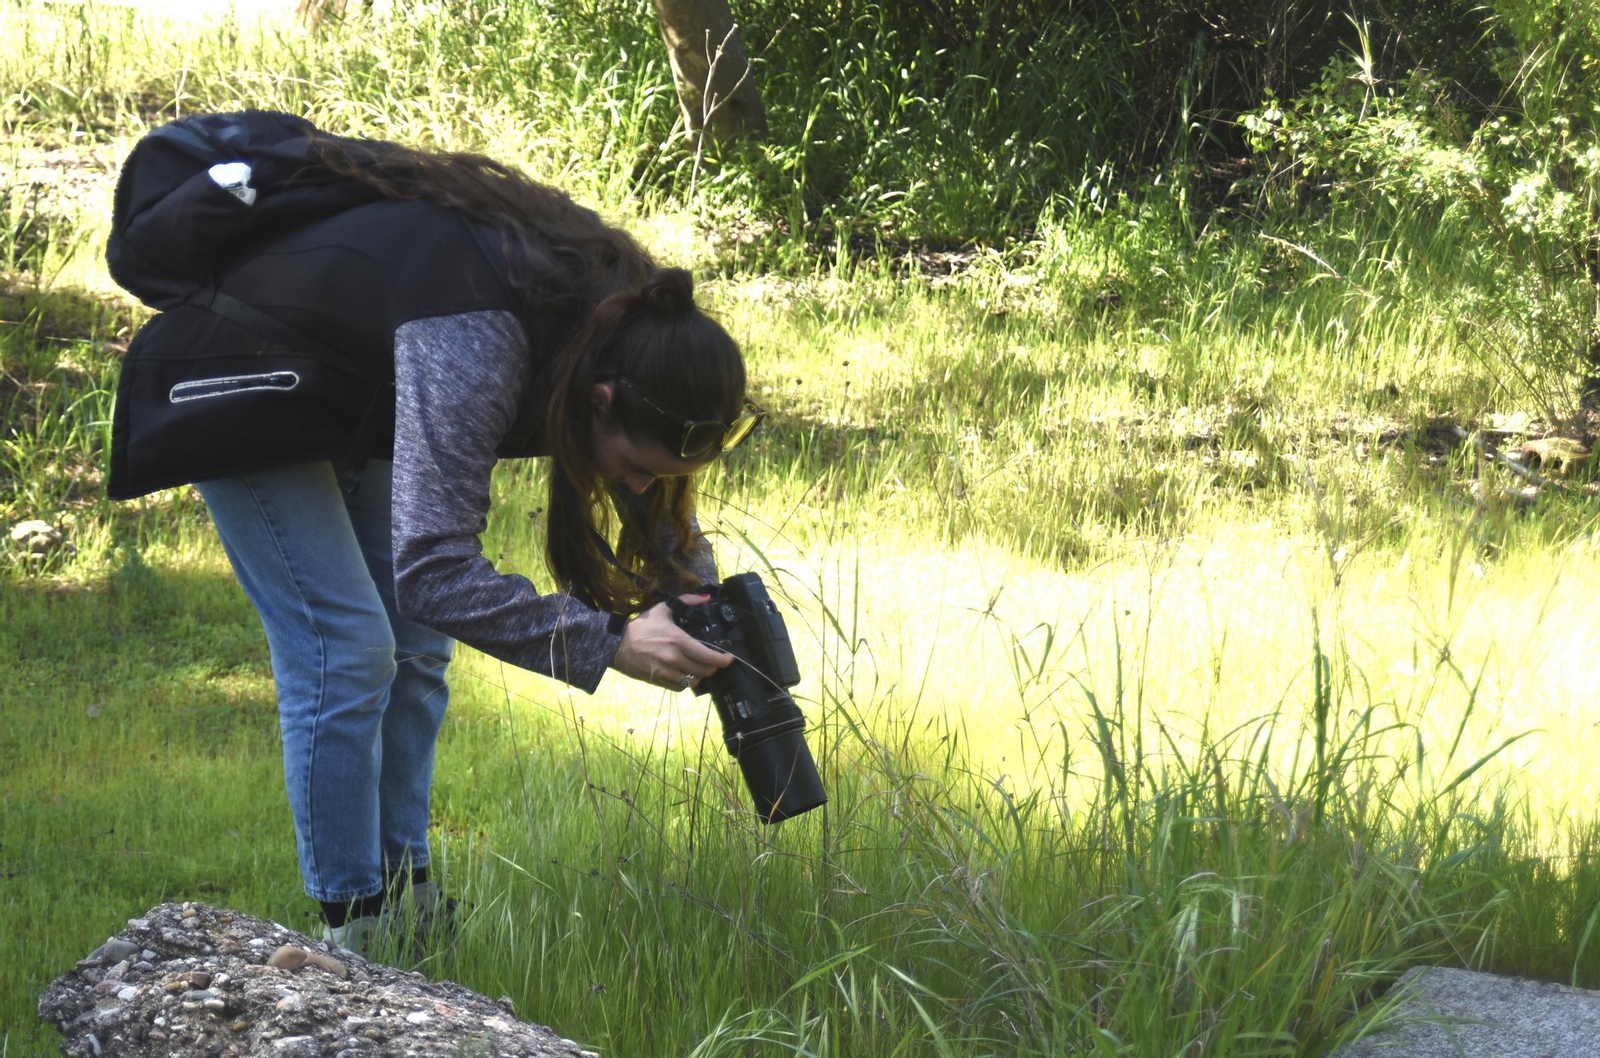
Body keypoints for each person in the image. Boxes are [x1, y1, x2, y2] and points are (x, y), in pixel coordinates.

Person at [107, 124, 763, 954]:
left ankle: (411, 897)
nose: (637, 490)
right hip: (241, 369)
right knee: (346, 648)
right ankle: (355, 930)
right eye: (635, 468)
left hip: (346, 380)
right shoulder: (478, 339)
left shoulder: (630, 324)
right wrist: (610, 645)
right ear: (601, 399)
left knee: (417, 651)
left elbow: (645, 478)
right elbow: (436, 571)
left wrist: (691, 584)